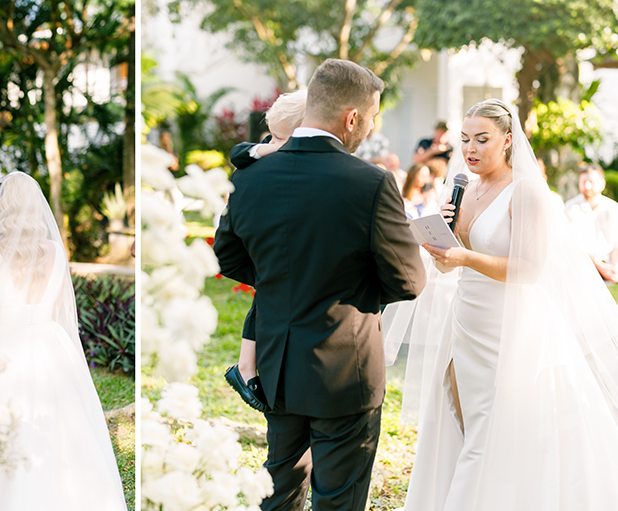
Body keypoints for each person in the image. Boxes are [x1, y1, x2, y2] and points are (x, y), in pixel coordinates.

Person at [384, 99, 618, 511]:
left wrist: (465, 257)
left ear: (508, 140)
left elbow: (529, 268)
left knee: (493, 430)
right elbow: (448, 268)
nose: (471, 148)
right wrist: (442, 243)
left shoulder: (527, 191)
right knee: (462, 424)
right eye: (465, 139)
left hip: (513, 327)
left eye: (482, 139)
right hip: (465, 321)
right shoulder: (464, 188)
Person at [214, 59, 425, 511]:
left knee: (280, 490)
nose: (369, 128)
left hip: (277, 365)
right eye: (371, 118)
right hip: (345, 370)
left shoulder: (250, 177)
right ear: (352, 118)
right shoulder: (371, 183)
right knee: (339, 500)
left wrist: (282, 280)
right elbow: (408, 280)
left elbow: (228, 256)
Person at [0, 172, 126, 510]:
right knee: (67, 433)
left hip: (2, 352)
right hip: (52, 350)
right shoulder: (55, 252)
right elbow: (62, 306)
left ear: (2, 207)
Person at [224, 90, 307, 412]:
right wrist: (267, 148)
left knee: (267, 287)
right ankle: (245, 367)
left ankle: (246, 367)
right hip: (274, 237)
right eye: (271, 136)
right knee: (267, 285)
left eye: (279, 136)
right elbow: (239, 153)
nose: (273, 141)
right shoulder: (264, 153)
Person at [564, 162, 618, 283]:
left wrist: (615, 267)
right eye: (583, 182)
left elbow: (616, 243)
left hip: (609, 263)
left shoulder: (613, 208)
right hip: (581, 266)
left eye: (591, 182)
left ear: (602, 184)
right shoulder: (571, 207)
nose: (587, 186)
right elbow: (577, 244)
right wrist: (600, 266)